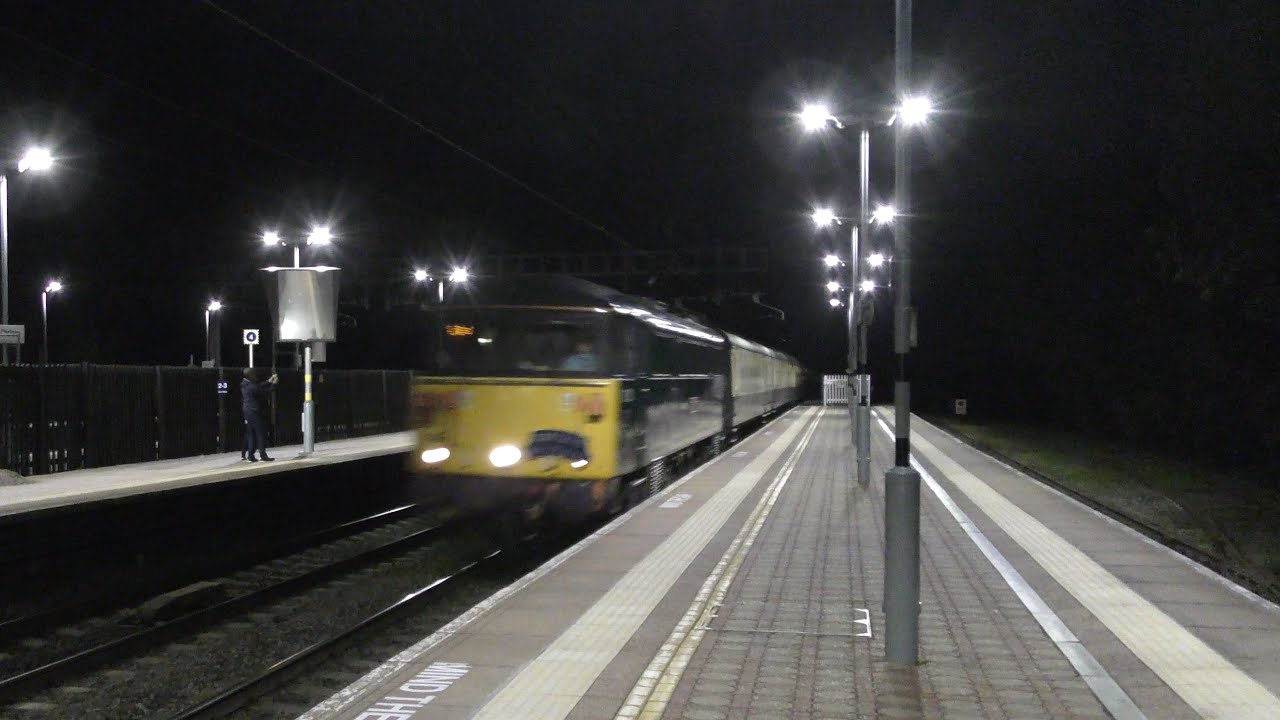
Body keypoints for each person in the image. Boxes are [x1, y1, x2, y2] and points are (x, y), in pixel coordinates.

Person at [241, 368, 279, 462]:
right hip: (255, 413)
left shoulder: (244, 384)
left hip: (247, 412)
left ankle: (250, 456)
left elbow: (258, 386)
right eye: (253, 374)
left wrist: (268, 381)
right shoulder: (251, 387)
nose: (255, 376)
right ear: (250, 375)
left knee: (251, 435)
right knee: (261, 434)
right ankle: (262, 455)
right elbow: (266, 392)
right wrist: (274, 384)